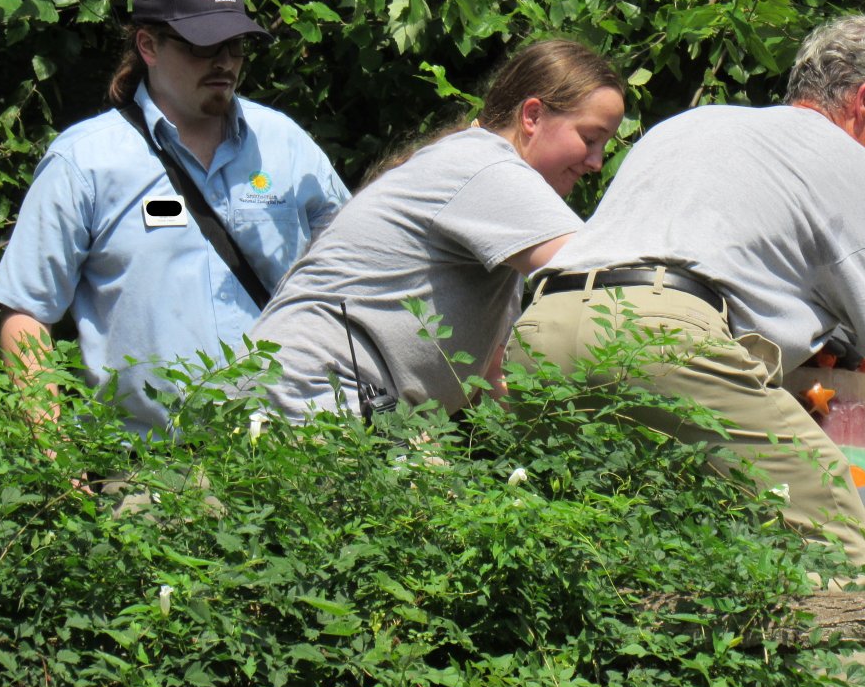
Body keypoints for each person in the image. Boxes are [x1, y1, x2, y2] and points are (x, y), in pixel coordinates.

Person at [508, 14, 865, 576]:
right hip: (662, 341)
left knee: (623, 561)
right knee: (844, 556)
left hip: (540, 332)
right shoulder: (850, 164)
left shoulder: (688, 125)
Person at [0, 0, 351, 437]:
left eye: (236, 45)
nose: (224, 62)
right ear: (148, 46)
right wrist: (52, 453)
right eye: (204, 46)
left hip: (295, 461)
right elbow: (26, 311)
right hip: (152, 472)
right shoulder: (87, 162)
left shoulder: (285, 143)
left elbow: (358, 274)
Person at [252, 39, 624, 420]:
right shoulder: (487, 171)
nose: (596, 162)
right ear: (532, 116)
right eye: (589, 139)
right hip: (313, 387)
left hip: (323, 392)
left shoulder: (493, 199)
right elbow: (603, 277)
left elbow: (494, 375)